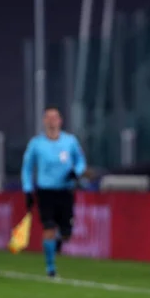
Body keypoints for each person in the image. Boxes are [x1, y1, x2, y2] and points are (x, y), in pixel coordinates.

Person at [21, 106, 88, 277]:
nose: (52, 121)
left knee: (66, 233)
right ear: (44, 121)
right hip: (46, 192)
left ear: (60, 121)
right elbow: (27, 168)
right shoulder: (36, 144)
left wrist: (77, 172)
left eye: (55, 118)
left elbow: (81, 161)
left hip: (65, 191)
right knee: (48, 227)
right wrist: (28, 190)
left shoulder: (70, 141)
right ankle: (50, 267)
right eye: (48, 118)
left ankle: (58, 241)